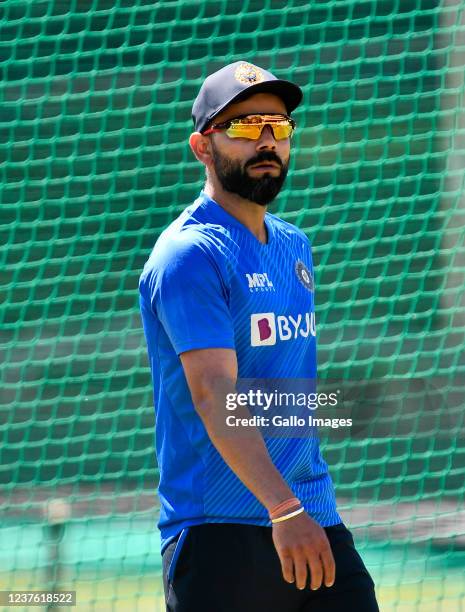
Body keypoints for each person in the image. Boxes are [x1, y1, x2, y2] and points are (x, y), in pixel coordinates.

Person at [139, 61, 379, 612]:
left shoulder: (294, 246)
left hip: (313, 516)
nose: (267, 140)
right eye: (246, 127)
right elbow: (214, 395)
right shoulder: (190, 255)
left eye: (279, 125)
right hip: (223, 531)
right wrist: (284, 509)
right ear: (203, 146)